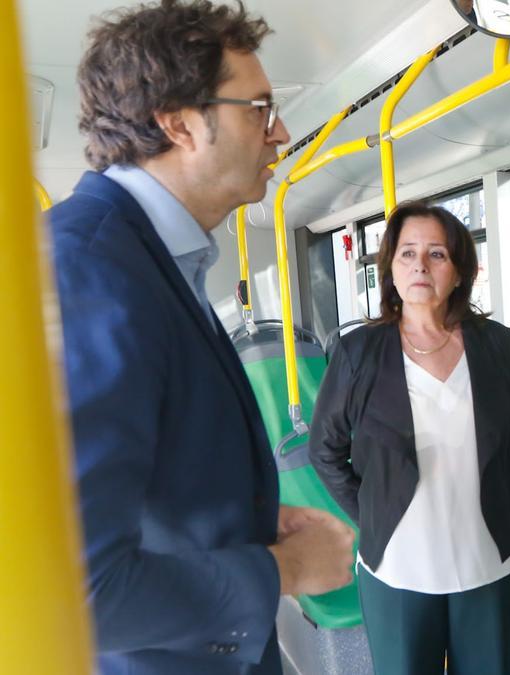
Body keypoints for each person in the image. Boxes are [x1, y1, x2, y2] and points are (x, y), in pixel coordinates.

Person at [49, 2, 356, 673]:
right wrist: (279, 570)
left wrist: (247, 517)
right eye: (259, 109)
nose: (281, 132)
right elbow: (74, 591)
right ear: (177, 123)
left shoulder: (154, 258)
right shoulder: (88, 271)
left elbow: (153, 474)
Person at [310, 203, 510, 675]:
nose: (420, 265)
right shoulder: (357, 352)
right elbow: (324, 449)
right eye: (407, 253)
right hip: (398, 564)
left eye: (436, 254)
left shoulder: (497, 344)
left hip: (487, 555)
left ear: (460, 271)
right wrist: (375, 511)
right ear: (390, 268)